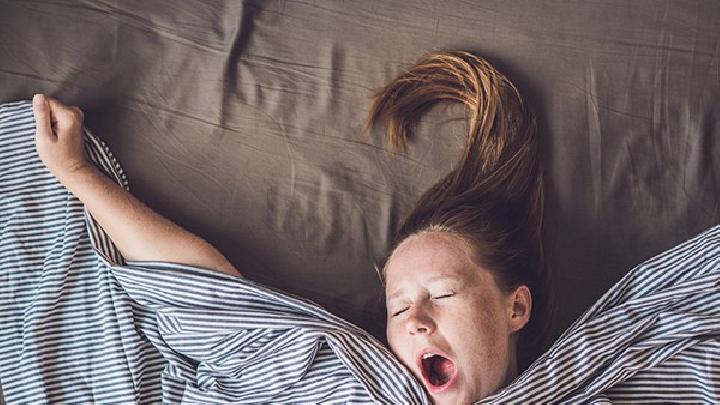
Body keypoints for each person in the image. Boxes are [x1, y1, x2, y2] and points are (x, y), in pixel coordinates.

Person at [6, 51, 716, 404]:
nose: (415, 320)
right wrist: (75, 175)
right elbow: (207, 297)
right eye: (399, 306)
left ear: (516, 306)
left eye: (441, 292)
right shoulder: (349, 378)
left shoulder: (606, 376)